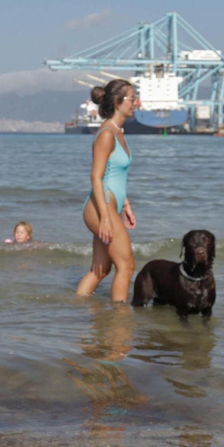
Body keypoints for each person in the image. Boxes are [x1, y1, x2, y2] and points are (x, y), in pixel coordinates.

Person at [75, 79, 139, 301]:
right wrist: (105, 217)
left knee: (100, 270)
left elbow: (116, 175)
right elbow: (96, 176)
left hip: (111, 205)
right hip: (101, 207)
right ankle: (119, 323)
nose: (136, 102)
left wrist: (127, 205)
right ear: (118, 102)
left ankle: (78, 307)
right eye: (132, 98)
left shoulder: (118, 131)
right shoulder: (106, 134)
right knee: (127, 265)